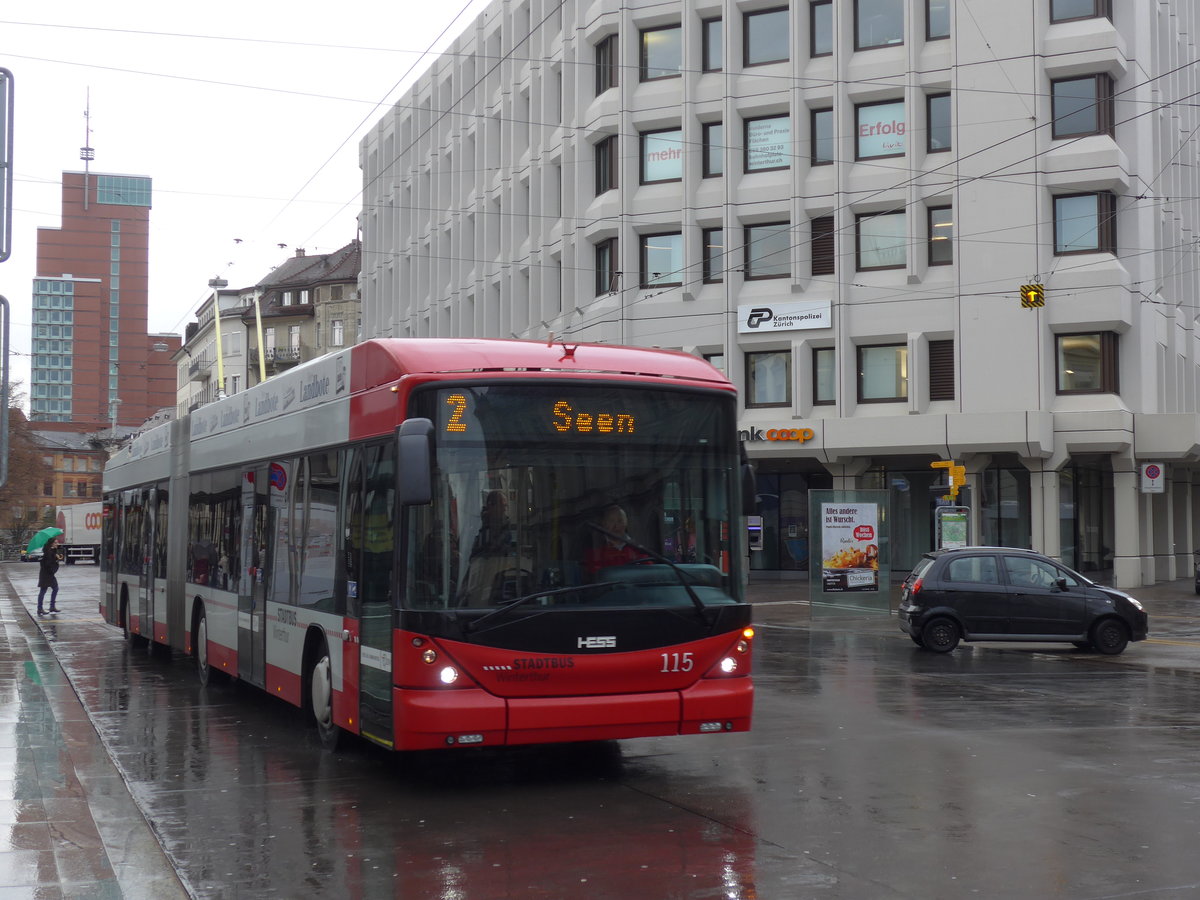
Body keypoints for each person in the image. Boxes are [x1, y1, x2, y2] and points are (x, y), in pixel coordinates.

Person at [584, 504, 646, 575]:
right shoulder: (595, 553)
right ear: (604, 524)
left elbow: (650, 575)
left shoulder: (639, 550)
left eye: (620, 521)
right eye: (611, 521)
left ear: (626, 523)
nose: (616, 526)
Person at [37, 536, 62, 616]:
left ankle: (51, 606)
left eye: (57, 542)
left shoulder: (51, 551)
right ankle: (40, 608)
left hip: (48, 574)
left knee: (55, 588)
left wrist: (56, 558)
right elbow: (48, 564)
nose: (57, 544)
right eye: (55, 542)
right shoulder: (48, 552)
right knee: (43, 591)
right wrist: (56, 560)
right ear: (51, 544)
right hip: (46, 574)